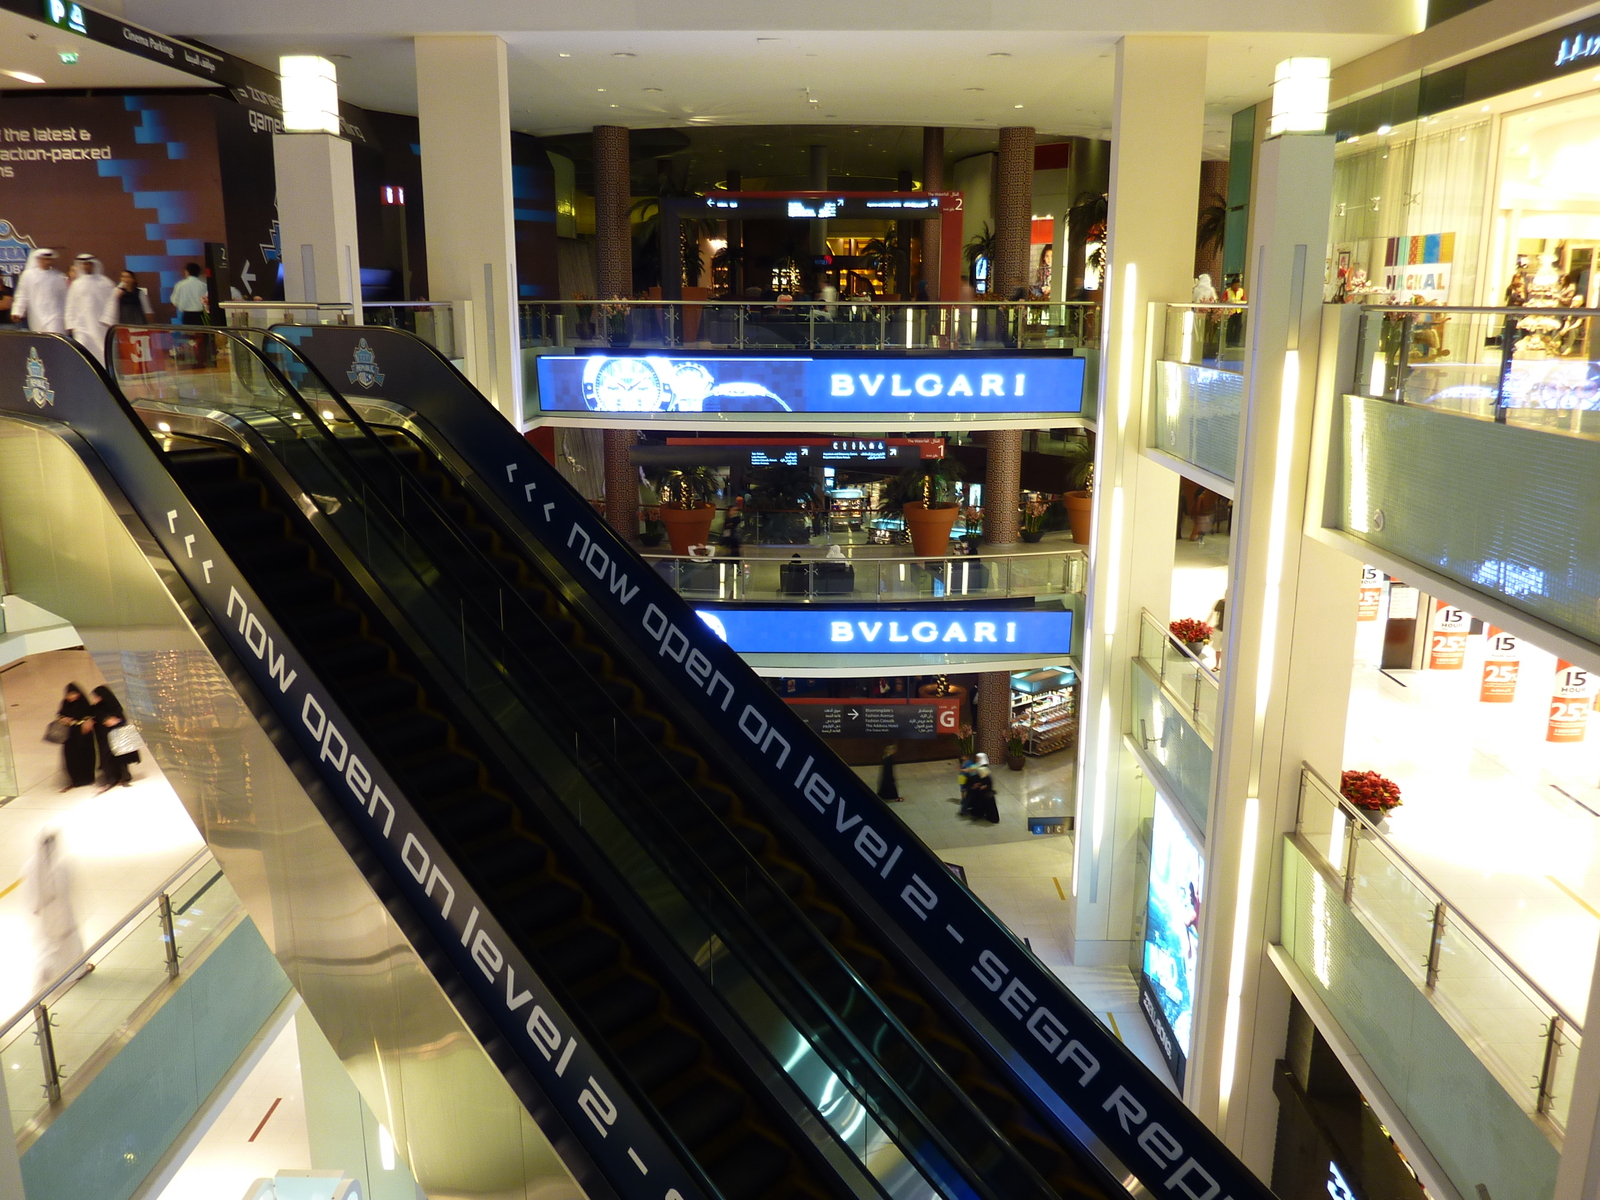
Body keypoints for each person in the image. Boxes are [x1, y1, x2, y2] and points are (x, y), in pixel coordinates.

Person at [24, 830, 88, 994]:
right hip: (58, 913)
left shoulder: (32, 866)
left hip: (46, 915)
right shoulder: (57, 867)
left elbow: (32, 895)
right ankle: (68, 974)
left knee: (51, 946)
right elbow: (61, 891)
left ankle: (65, 972)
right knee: (63, 945)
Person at [65, 254, 115, 363]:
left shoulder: (106, 283)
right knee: (82, 350)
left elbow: (112, 303)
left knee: (101, 351)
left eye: (88, 264)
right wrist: (70, 324)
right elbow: (70, 305)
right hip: (81, 326)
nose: (86, 267)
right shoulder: (76, 284)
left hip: (99, 325)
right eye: (84, 264)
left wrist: (108, 319)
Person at [88, 684, 138, 790]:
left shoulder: (115, 705)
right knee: (107, 759)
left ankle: (123, 777)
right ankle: (111, 779)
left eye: (96, 696)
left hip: (117, 736)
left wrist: (115, 720)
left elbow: (122, 719)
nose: (95, 699)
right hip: (104, 738)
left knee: (120, 758)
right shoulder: (95, 708)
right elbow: (95, 718)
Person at [12, 248, 68, 334]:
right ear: (38, 259)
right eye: (45, 259)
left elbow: (65, 298)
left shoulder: (58, 276)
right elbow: (22, 295)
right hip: (36, 315)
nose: (47, 262)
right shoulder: (28, 275)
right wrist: (17, 311)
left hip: (55, 316)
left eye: (49, 259)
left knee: (55, 337)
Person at [54, 682, 96, 791]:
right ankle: (76, 779)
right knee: (71, 757)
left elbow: (90, 714)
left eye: (73, 694)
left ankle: (87, 778)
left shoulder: (83, 703)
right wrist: (63, 719)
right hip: (70, 735)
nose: (71, 697)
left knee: (85, 755)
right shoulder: (65, 703)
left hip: (83, 735)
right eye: (69, 695)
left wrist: (87, 721)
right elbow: (60, 715)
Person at [966, 753, 999, 824]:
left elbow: (987, 781)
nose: (976, 759)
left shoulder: (984, 768)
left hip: (984, 791)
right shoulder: (977, 766)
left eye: (978, 758)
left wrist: (983, 786)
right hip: (979, 790)